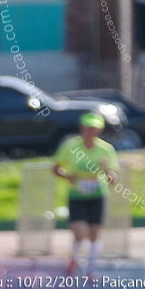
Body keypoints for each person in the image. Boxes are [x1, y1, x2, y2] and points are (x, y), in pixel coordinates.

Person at [52, 112, 118, 276]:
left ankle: (91, 268)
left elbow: (112, 178)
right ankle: (75, 257)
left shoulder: (106, 149)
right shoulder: (70, 146)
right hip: (77, 195)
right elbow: (55, 168)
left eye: (95, 129)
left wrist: (106, 171)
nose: (91, 132)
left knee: (95, 233)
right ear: (82, 129)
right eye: (88, 128)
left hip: (97, 195)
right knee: (81, 232)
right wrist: (68, 176)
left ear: (100, 130)